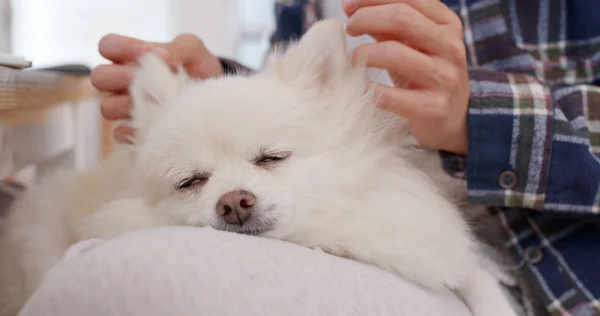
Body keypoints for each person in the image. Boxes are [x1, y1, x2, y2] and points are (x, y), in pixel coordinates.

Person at [27, 0, 600, 315]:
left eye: (269, 159)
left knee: (113, 281)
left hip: (560, 285)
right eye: (194, 179)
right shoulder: (301, 9)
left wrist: (481, 115)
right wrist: (221, 89)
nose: (232, 198)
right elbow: (293, 115)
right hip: (386, 260)